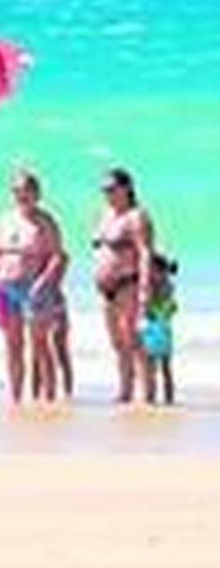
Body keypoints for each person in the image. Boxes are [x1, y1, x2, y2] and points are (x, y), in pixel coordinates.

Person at [0, 166, 69, 404]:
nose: (22, 196)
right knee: (13, 345)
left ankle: (49, 397)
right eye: (17, 191)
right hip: (5, 286)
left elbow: (58, 256)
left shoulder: (45, 221)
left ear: (37, 193)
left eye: (26, 191)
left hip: (35, 288)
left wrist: (43, 283)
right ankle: (15, 396)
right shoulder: (4, 218)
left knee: (40, 344)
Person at [92, 167, 157, 404]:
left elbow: (145, 253)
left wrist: (144, 291)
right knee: (117, 342)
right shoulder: (104, 214)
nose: (107, 194)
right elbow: (101, 249)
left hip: (128, 285)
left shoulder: (137, 216)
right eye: (104, 190)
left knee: (136, 342)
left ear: (127, 188)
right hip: (106, 289)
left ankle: (148, 395)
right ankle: (125, 391)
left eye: (111, 189)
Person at [142, 252, 179, 405]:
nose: (150, 273)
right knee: (154, 367)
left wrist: (149, 303)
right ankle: (153, 397)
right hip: (156, 328)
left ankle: (162, 398)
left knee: (162, 367)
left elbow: (170, 307)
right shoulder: (163, 285)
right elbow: (173, 308)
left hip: (160, 329)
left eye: (153, 270)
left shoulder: (164, 286)